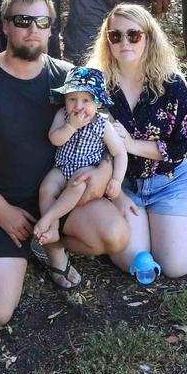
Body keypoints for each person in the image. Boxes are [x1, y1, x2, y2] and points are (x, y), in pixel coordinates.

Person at [0, 0, 130, 324]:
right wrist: (1, 211)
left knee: (115, 236)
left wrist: (104, 173)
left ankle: (47, 248)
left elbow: (102, 132)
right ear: (4, 25)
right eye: (23, 20)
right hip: (2, 203)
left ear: (51, 28)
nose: (33, 30)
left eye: (42, 22)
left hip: (60, 196)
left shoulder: (67, 77)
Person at [88, 5, 187, 278]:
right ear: (107, 41)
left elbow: (179, 147)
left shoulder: (173, 85)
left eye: (134, 35)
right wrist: (116, 195)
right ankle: (161, 222)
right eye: (115, 36)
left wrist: (130, 145)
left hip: (168, 182)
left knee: (175, 267)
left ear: (148, 38)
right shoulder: (95, 85)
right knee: (137, 260)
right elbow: (86, 149)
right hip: (121, 185)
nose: (124, 42)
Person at [33, 67, 131, 245]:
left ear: (98, 103)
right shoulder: (62, 115)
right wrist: (70, 126)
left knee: (77, 186)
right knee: (46, 188)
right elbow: (55, 139)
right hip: (62, 167)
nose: (78, 107)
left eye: (86, 100)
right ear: (65, 99)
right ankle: (53, 229)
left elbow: (120, 152)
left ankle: (48, 218)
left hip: (86, 170)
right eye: (72, 99)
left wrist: (116, 180)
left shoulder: (102, 125)